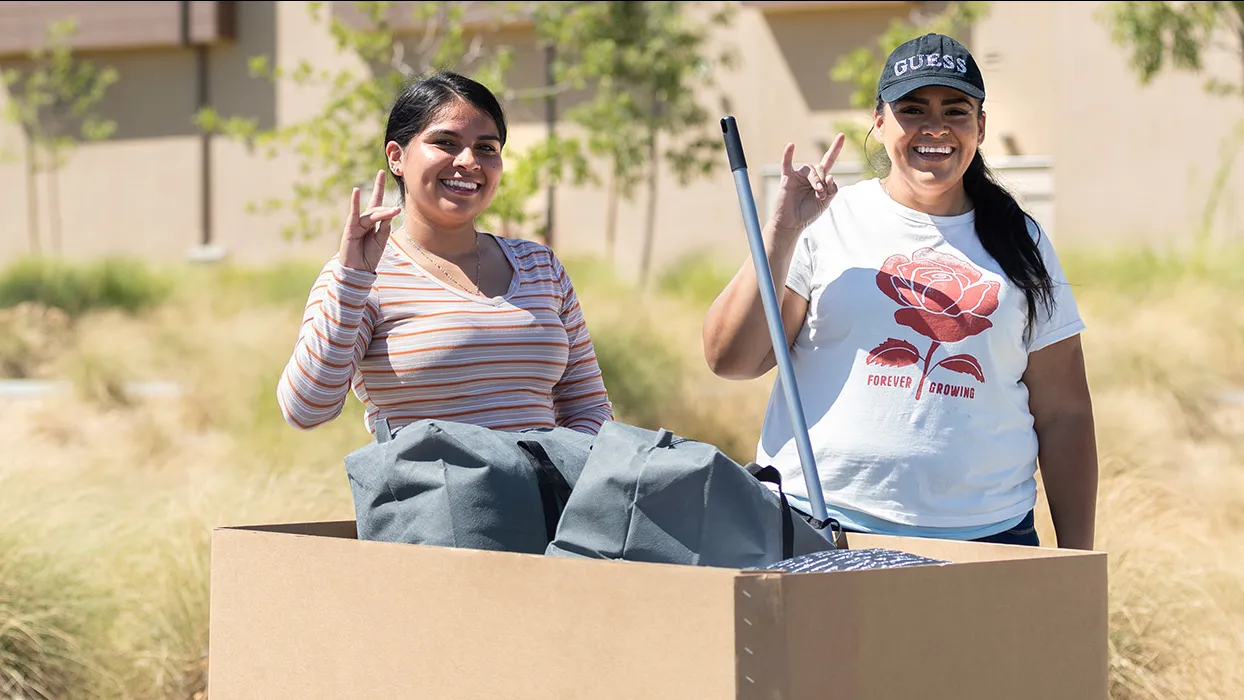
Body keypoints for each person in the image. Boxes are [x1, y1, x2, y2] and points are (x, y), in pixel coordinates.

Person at [702, 33, 1098, 549]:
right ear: (879, 121)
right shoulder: (825, 221)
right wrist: (779, 235)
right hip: (821, 531)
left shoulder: (1023, 242)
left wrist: (1078, 562)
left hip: (987, 542)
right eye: (912, 109)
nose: (935, 128)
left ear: (980, 126)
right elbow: (730, 358)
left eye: (956, 110)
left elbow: (1064, 412)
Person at [277, 71, 614, 439]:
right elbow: (306, 410)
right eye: (446, 142)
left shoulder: (540, 265)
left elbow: (588, 404)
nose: (469, 161)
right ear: (396, 157)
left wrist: (555, 473)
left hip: (547, 495)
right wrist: (352, 282)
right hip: (428, 495)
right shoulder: (363, 274)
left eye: (487, 148)